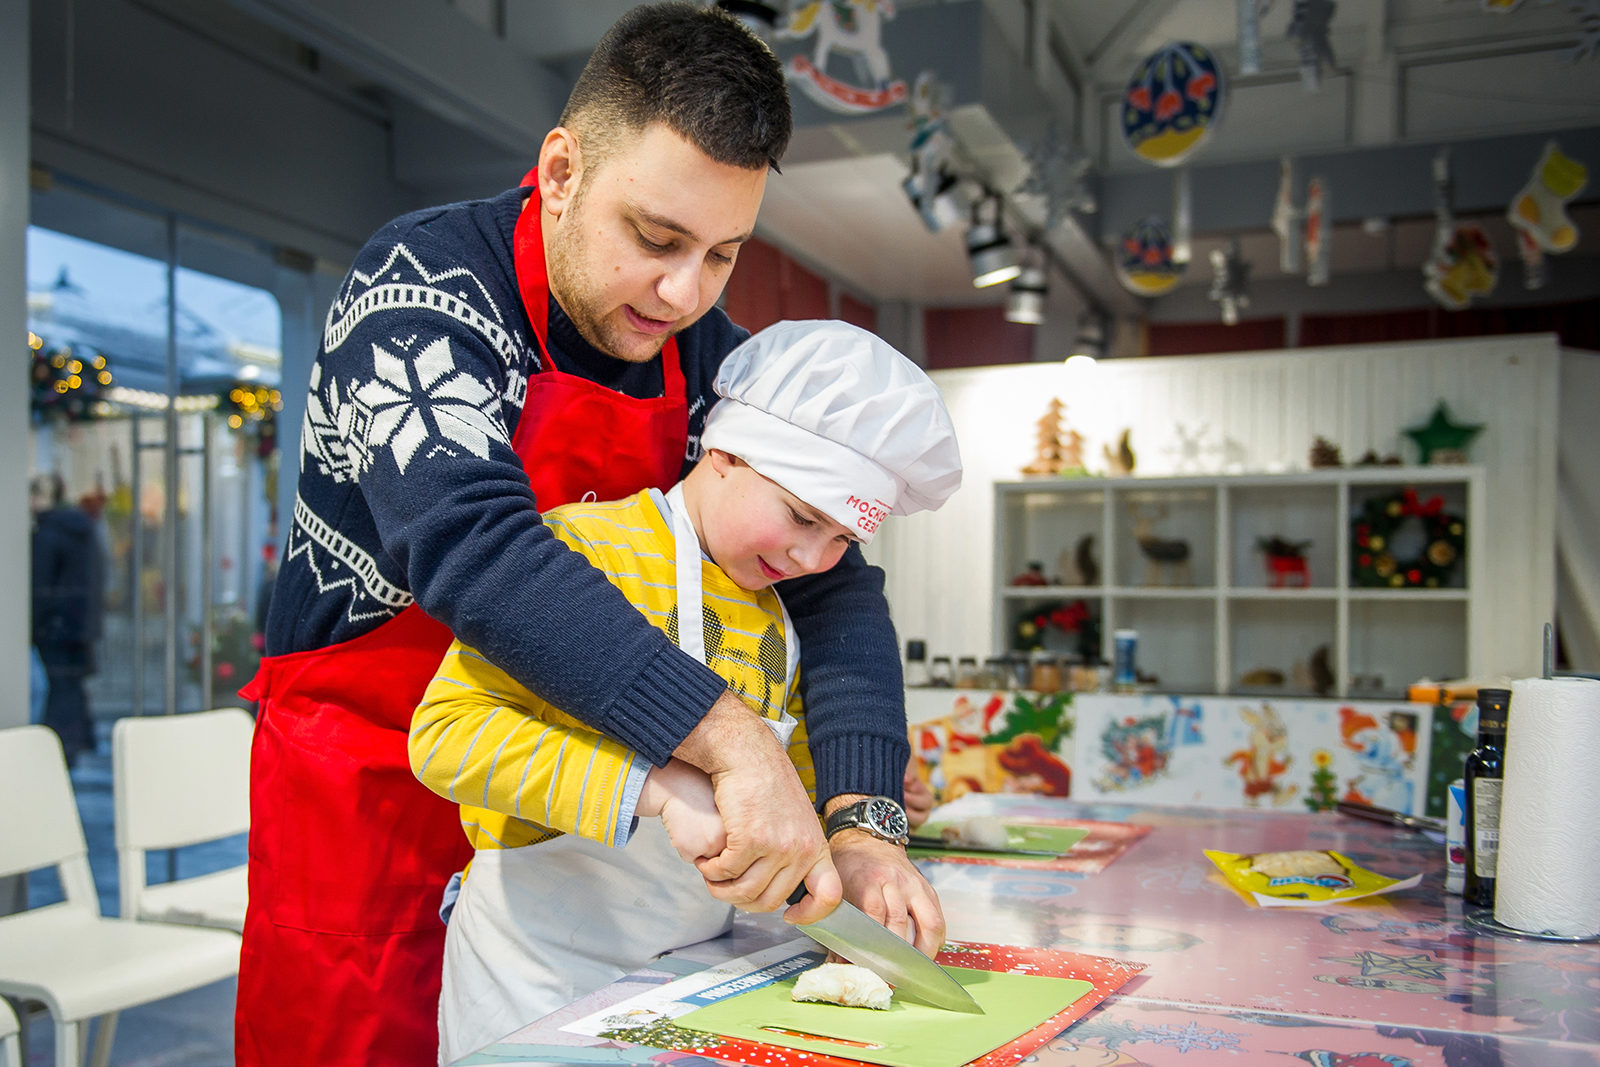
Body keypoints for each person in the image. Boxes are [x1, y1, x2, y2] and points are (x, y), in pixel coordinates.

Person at [239, 6, 919, 1063]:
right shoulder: (419, 291)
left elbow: (833, 582)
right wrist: (733, 739)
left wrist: (862, 814)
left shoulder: (698, 355)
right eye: (654, 239)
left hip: (574, 804)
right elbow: (476, 548)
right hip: (375, 778)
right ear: (559, 172)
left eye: (722, 255)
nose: (685, 292)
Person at [410, 320, 963, 1061]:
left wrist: (848, 834)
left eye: (840, 539)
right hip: (531, 969)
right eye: (801, 515)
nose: (811, 556)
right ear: (726, 452)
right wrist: (656, 787)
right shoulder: (587, 550)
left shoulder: (778, 620)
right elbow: (447, 734)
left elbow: (786, 792)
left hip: (690, 972)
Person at [30, 473, 104, 766]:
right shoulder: (84, 530)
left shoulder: (48, 534)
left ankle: (60, 749)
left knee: (60, 688)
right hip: (81, 625)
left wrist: (33, 625)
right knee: (70, 685)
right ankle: (75, 741)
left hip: (56, 628)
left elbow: (39, 585)